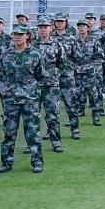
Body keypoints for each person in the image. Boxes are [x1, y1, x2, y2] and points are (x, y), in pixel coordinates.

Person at [0, 24, 46, 174]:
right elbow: (0, 76)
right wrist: (5, 92)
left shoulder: (35, 54)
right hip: (11, 99)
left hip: (29, 99)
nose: (17, 37)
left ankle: (37, 161)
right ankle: (6, 162)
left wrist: (32, 90)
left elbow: (40, 75)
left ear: (27, 36)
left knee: (32, 132)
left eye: (21, 34)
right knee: (9, 132)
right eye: (15, 34)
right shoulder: (6, 55)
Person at [34, 16, 64, 151]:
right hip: (34, 85)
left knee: (53, 115)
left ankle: (56, 142)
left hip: (51, 85)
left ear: (51, 28)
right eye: (40, 27)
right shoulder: (32, 45)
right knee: (32, 117)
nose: (43, 30)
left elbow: (62, 63)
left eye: (45, 27)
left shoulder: (57, 44)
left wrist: (54, 75)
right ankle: (32, 144)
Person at [74, 19, 105, 125]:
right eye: (80, 26)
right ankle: (78, 113)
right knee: (77, 93)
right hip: (77, 71)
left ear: (87, 28)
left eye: (84, 26)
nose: (82, 28)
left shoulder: (94, 40)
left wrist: (93, 66)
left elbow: (100, 56)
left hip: (90, 71)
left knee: (92, 94)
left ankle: (96, 117)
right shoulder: (74, 41)